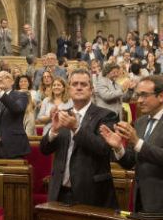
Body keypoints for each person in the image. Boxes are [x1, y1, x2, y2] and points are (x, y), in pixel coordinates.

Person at [100, 76, 163, 219]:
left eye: (144, 95)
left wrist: (137, 142)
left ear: (161, 96)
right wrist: (119, 148)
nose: (139, 100)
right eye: (138, 95)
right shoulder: (141, 122)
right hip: (141, 199)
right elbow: (130, 161)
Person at [40, 68, 118, 207]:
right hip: (59, 192)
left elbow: (103, 148)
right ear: (69, 89)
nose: (79, 87)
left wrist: (76, 128)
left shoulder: (106, 115)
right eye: (75, 84)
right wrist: (53, 130)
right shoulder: (62, 114)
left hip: (91, 193)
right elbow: (44, 150)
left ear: (91, 89)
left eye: (84, 84)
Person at [0, 71, 31, 159]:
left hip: (13, 146)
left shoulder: (21, 95)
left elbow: (16, 109)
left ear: (12, 82)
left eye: (6, 77)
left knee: (13, 172)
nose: (1, 79)